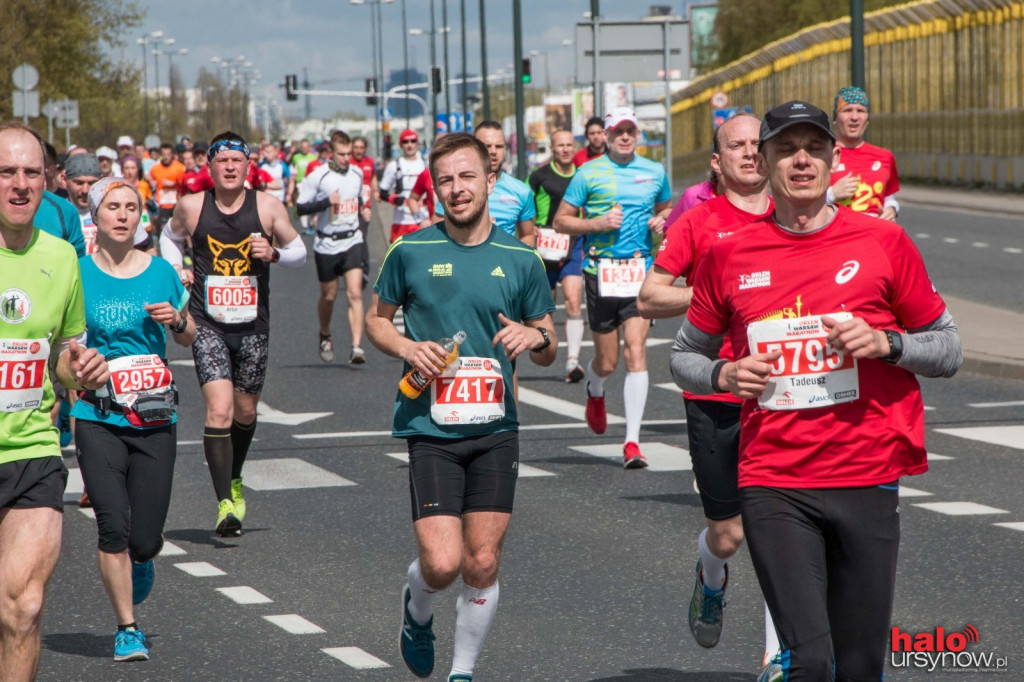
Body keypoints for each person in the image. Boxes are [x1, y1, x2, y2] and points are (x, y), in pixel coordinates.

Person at [669, 101, 962, 680]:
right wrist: (725, 375)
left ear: (833, 158)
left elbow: (948, 348)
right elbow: (684, 357)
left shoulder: (884, 241)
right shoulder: (730, 253)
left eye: (814, 149)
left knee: (857, 666)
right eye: (785, 149)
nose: (801, 161)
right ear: (764, 160)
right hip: (775, 479)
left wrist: (887, 344)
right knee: (805, 662)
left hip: (866, 471)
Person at [366, 132, 557, 682]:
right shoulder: (411, 251)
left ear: (490, 180)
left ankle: (462, 672)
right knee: (443, 565)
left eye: (467, 176)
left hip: (497, 427)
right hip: (431, 426)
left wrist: (533, 337)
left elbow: (548, 346)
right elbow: (378, 319)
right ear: (435, 189)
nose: (457, 189)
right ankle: (417, 605)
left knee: (482, 561)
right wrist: (406, 346)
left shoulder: (521, 259)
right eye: (445, 180)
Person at [637, 113, 781, 678]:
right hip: (716, 395)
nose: (749, 153)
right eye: (736, 146)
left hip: (783, 395)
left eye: (756, 145)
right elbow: (649, 297)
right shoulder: (697, 222)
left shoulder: (795, 217)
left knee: (777, 528)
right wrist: (717, 293)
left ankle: (778, 657)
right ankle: (710, 574)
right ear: (717, 163)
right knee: (730, 534)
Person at [0, 120, 110, 680]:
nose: (20, 185)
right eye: (6, 172)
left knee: (23, 606)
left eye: (32, 174)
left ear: (49, 182)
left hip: (32, 449)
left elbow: (65, 354)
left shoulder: (64, 259)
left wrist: (81, 368)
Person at [73, 176, 194, 662]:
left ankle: (143, 557)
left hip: (152, 418)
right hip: (96, 414)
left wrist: (177, 321)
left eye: (131, 207)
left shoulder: (162, 271)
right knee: (111, 527)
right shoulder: (76, 272)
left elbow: (187, 337)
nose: (123, 215)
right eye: (113, 207)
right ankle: (127, 627)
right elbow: (64, 339)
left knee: (143, 537)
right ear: (96, 218)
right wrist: (77, 360)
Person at [162, 131, 306, 536]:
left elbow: (300, 253)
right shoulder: (192, 207)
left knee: (245, 412)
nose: (229, 167)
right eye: (221, 160)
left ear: (248, 167)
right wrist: (177, 271)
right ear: (209, 167)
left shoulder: (268, 206)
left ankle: (235, 475)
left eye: (236, 161)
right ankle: (225, 502)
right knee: (220, 411)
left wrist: (275, 254)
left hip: (253, 326)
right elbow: (168, 237)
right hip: (207, 323)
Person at [553, 107, 671, 468]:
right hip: (600, 272)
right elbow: (560, 222)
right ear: (604, 134)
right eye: (618, 131)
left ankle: (632, 443)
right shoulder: (588, 173)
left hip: (640, 271)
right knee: (608, 361)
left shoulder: (654, 171)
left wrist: (662, 220)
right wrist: (598, 223)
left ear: (638, 134)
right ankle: (596, 387)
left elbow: (667, 208)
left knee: (637, 352)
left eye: (630, 130)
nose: (624, 136)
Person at [296, 130, 373, 364]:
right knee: (329, 297)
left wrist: (363, 211)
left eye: (349, 154)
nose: (346, 158)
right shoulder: (317, 176)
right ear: (330, 153)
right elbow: (299, 208)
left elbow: (358, 200)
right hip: (327, 243)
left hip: (352, 239)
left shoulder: (358, 173)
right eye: (341, 154)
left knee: (355, 293)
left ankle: (357, 346)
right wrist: (325, 202)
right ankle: (325, 333)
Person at [528, 129, 586, 382]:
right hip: (546, 244)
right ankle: (548, 349)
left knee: (573, 299)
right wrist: (533, 227)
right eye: (560, 145)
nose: (565, 149)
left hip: (573, 242)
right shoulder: (539, 176)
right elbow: (526, 206)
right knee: (547, 305)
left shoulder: (582, 175)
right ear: (552, 148)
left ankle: (572, 362)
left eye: (569, 144)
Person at [435, 122, 538, 248]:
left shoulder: (521, 191)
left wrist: (516, 257)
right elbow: (436, 233)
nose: (493, 151)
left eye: (499, 146)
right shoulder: (456, 190)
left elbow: (527, 235)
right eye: (487, 146)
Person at [829, 86, 900, 220]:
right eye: (847, 110)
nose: (854, 117)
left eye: (861, 111)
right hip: (838, 237)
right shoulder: (823, 156)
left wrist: (892, 209)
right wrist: (832, 194)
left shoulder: (884, 156)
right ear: (835, 118)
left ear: (867, 119)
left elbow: (888, 198)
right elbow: (801, 203)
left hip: (874, 236)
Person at [380, 129, 429, 242]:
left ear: (417, 143)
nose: (409, 145)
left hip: (422, 219)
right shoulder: (393, 166)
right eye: (406, 142)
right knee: (400, 258)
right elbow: (382, 193)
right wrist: (394, 199)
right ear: (401, 144)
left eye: (413, 141)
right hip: (401, 221)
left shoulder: (425, 164)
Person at [148, 143, 185, 239]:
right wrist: (151, 181)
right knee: (164, 229)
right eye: (164, 154)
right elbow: (150, 180)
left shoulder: (180, 167)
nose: (166, 157)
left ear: (172, 155)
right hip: (162, 204)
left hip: (176, 203)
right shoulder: (155, 168)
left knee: (179, 229)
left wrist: (173, 183)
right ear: (160, 155)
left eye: (168, 154)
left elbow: (185, 184)